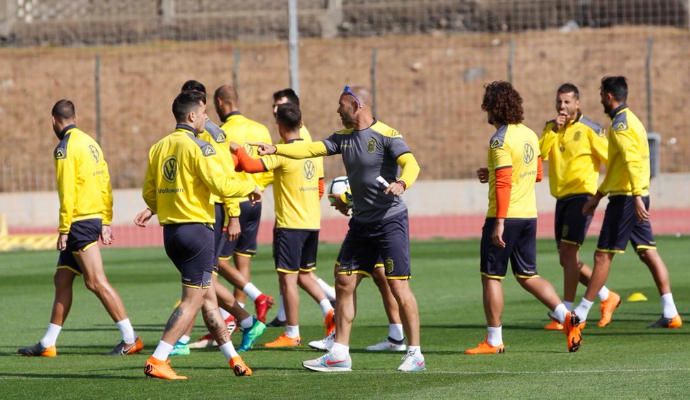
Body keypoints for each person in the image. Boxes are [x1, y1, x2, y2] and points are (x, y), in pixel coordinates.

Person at [254, 85, 426, 372]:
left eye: (341, 105)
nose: (337, 110)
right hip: (361, 223)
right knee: (344, 281)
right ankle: (340, 354)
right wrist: (276, 149)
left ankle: (415, 353)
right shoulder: (343, 138)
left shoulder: (387, 135)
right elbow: (312, 148)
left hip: (390, 221)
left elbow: (411, 164)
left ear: (356, 104)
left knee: (398, 286)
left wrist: (402, 183)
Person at [134, 90, 260, 380]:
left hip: (171, 234)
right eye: (203, 113)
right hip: (197, 231)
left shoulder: (158, 147)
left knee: (206, 298)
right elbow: (220, 183)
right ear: (192, 116)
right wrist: (248, 187)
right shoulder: (198, 147)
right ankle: (159, 359)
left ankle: (234, 359)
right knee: (192, 300)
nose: (206, 118)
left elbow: (149, 191)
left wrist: (153, 208)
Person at [18, 100, 143, 358]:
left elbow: (67, 191)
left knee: (95, 281)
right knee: (62, 278)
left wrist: (64, 228)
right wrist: (106, 220)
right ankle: (48, 343)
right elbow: (105, 181)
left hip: (79, 222)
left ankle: (130, 338)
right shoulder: (90, 143)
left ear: (53, 120)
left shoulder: (64, 148)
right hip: (92, 217)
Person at [466, 81, 582, 355]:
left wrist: (500, 222)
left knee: (491, 277)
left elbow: (505, 182)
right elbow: (537, 174)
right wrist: (491, 173)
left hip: (505, 216)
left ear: (494, 108)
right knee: (528, 275)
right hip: (529, 215)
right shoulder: (530, 134)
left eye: (486, 105)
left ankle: (494, 341)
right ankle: (567, 317)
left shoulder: (500, 140)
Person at [572, 76, 682, 328]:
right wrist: (599, 196)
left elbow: (632, 162)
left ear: (609, 96)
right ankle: (671, 312)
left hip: (626, 199)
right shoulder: (632, 120)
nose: (600, 98)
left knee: (602, 256)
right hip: (633, 195)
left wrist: (635, 197)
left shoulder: (620, 125)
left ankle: (581, 313)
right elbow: (619, 167)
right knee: (647, 251)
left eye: (601, 93)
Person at [169, 81, 268, 356]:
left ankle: (183, 339)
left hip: (213, 210)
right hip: (201, 210)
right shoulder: (193, 135)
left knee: (202, 279)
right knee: (202, 278)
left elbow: (224, 176)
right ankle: (246, 321)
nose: (204, 114)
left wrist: (233, 214)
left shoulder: (213, 133)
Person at [232, 102, 335, 347]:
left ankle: (292, 332)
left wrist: (234, 149)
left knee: (288, 279)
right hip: (312, 222)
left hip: (290, 224)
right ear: (300, 123)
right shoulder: (314, 151)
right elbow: (320, 186)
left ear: (279, 125)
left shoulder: (281, 153)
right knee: (305, 274)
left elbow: (249, 166)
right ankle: (330, 311)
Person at [539, 83, 620, 330]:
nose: (562, 106)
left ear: (577, 104)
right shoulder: (551, 127)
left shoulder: (591, 129)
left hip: (581, 197)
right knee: (566, 259)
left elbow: (612, 159)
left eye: (567, 102)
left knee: (568, 252)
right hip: (561, 198)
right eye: (559, 101)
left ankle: (567, 311)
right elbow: (541, 154)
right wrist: (554, 130)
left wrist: (601, 191)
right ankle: (607, 297)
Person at [213, 85, 274, 310]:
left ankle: (227, 315)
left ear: (220, 102)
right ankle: (242, 309)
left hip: (233, 203)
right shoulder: (261, 129)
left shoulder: (221, 133)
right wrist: (256, 187)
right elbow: (268, 168)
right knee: (244, 259)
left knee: (217, 262)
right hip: (254, 201)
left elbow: (222, 170)